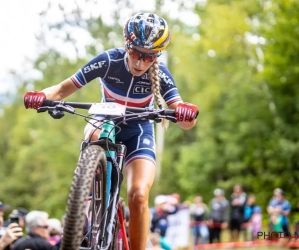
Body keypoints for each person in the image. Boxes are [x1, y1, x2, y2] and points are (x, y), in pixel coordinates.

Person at [23, 12, 199, 250]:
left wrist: (186, 114)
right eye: (136, 53)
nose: (139, 62)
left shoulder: (162, 74)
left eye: (148, 58)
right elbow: (62, 89)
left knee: (138, 194)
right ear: (127, 45)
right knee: (93, 131)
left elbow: (185, 118)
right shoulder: (108, 61)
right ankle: (86, 195)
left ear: (156, 56)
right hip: (105, 119)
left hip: (139, 129)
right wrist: (41, 96)